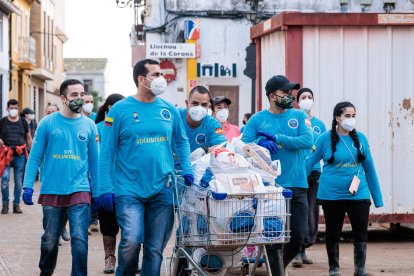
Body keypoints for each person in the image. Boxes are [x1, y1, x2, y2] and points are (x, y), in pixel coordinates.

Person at [96, 59, 193, 275]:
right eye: (156, 74)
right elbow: (107, 153)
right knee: (131, 240)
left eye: (161, 74)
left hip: (163, 189)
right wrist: (104, 188)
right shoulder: (119, 111)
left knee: (155, 248)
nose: (161, 79)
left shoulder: (168, 110)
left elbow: (182, 141)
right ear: (141, 79)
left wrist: (186, 167)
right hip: (128, 190)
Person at [22, 79, 99, 276]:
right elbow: (35, 157)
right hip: (52, 189)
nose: (80, 99)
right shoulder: (48, 123)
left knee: (80, 238)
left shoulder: (90, 126)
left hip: (80, 189)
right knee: (49, 239)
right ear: (63, 98)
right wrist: (27, 186)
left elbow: (95, 163)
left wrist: (98, 192)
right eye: (74, 95)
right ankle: (46, 272)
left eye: (82, 95)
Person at [242, 75, 313, 275]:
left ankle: (278, 267)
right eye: (286, 92)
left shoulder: (299, 116)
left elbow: (307, 141)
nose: (291, 96)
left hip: (297, 185)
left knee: (298, 236)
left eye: (291, 92)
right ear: (273, 96)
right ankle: (277, 271)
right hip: (270, 189)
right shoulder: (257, 119)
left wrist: (278, 139)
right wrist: (260, 144)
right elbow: (244, 147)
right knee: (273, 238)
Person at [305, 101, 383, 276]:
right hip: (332, 195)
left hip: (358, 192)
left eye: (353, 116)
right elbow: (309, 162)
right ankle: (334, 269)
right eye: (347, 116)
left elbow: (369, 167)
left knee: (361, 231)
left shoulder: (361, 139)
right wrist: (298, 182)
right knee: (333, 232)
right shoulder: (324, 139)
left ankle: (360, 269)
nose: (351, 119)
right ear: (337, 118)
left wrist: (377, 197)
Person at [292, 88, 327, 267]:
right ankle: (296, 252)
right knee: (300, 213)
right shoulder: (294, 121)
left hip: (314, 173)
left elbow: (324, 148)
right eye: (303, 97)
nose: (306, 100)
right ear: (297, 101)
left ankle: (305, 248)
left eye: (309, 97)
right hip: (298, 174)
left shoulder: (319, 124)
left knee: (312, 213)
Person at [95, 93, 125, 273]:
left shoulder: (128, 128)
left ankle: (130, 258)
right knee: (108, 226)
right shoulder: (97, 128)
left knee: (130, 226)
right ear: (108, 108)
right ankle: (109, 258)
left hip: (127, 185)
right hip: (105, 185)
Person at [0, 99, 33, 214]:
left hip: (20, 155)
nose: (13, 110)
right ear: (7, 109)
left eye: (15, 108)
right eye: (11, 108)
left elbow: (28, 137)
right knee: (4, 179)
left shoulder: (23, 122)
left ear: (18, 109)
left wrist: (32, 152)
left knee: (19, 181)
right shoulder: (2, 122)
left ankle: (16, 205)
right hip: (5, 155)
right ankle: (5, 204)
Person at [179, 85, 227, 152]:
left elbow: (223, 145)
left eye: (204, 105)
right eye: (195, 103)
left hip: (199, 161)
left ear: (208, 106)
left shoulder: (213, 124)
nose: (199, 108)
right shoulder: (176, 116)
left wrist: (206, 150)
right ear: (187, 103)